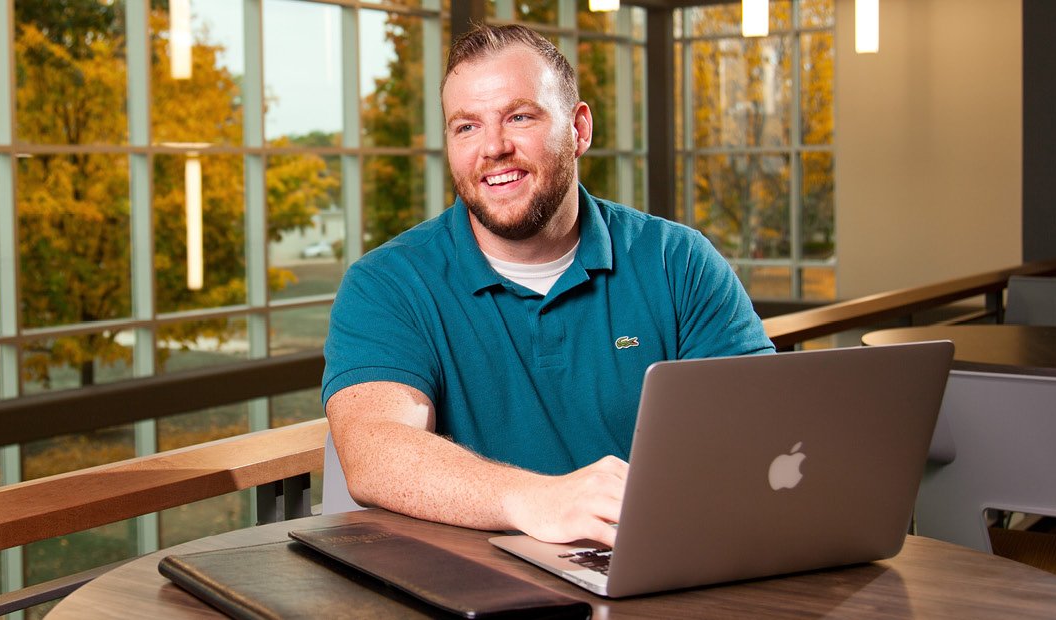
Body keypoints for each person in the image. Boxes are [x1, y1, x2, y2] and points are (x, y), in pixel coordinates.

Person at [321, 24, 773, 547]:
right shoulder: (388, 283)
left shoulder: (679, 261)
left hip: (662, 558)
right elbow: (377, 450)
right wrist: (537, 500)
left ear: (579, 130)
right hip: (478, 582)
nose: (494, 147)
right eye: (466, 126)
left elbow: (757, 431)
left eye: (520, 116)